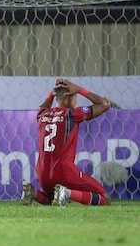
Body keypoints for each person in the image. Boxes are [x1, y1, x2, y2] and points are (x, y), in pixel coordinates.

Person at [21, 78, 111, 206]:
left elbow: (43, 106)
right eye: (75, 97)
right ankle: (67, 193)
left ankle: (33, 193)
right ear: (69, 97)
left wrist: (52, 93)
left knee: (51, 199)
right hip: (64, 172)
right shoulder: (72, 114)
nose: (76, 101)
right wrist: (79, 89)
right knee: (105, 198)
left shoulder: (42, 115)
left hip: (42, 174)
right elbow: (104, 104)